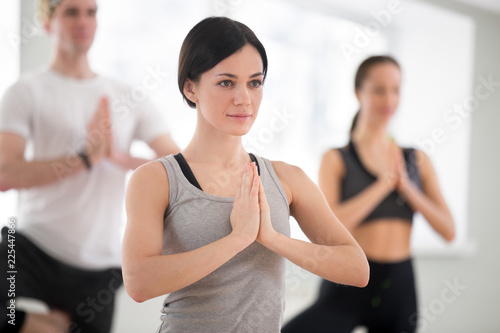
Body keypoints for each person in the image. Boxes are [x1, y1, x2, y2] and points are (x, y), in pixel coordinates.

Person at [122, 16, 370, 332]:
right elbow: (138, 282)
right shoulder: (156, 179)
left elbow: (356, 268)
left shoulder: (287, 179)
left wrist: (273, 239)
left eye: (254, 82)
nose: (244, 99)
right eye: (226, 82)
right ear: (190, 86)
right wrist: (237, 239)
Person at [0, 0, 179, 332]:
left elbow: (179, 168)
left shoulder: (127, 97)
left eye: (90, 12)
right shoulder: (25, 92)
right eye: (71, 12)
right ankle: (47, 325)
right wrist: (82, 160)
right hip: (33, 248)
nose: (83, 20)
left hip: (100, 269)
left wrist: (119, 159)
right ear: (47, 23)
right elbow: (5, 174)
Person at [281, 55, 456, 333]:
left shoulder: (416, 159)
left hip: (399, 285)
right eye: (378, 90)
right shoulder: (336, 158)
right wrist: (382, 185)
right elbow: (329, 230)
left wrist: (407, 188)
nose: (389, 99)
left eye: (396, 89)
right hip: (347, 281)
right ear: (358, 93)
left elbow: (448, 232)